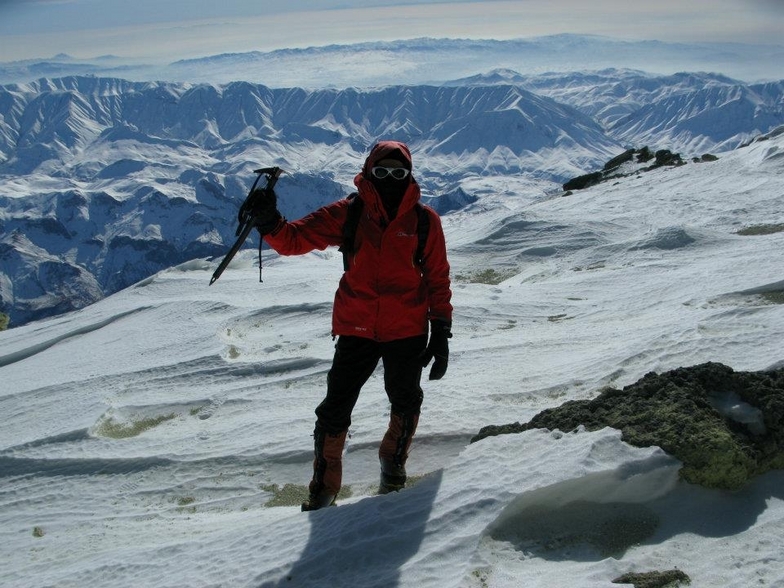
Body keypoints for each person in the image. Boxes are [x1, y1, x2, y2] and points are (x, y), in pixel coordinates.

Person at [250, 140, 453, 511]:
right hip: (356, 328)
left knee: (405, 401)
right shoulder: (349, 214)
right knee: (334, 410)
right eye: (381, 172)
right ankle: (324, 491)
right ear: (368, 173)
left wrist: (440, 330)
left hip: (406, 329)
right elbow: (293, 240)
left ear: (409, 176)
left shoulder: (425, 222)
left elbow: (437, 278)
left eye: (398, 173)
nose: (390, 179)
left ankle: (392, 467)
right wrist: (269, 223)